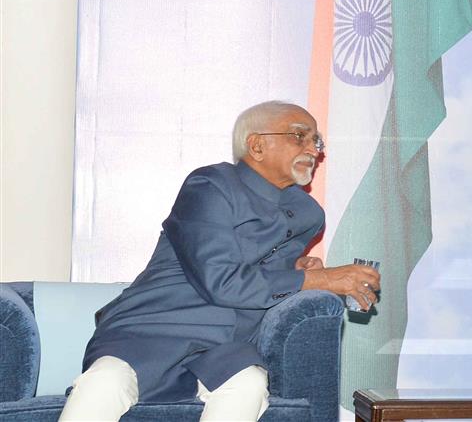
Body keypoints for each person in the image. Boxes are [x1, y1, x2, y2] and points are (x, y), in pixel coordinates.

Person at [59, 101, 382, 421]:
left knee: (249, 386)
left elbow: (262, 271)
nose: (314, 148)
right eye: (300, 135)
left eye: (317, 140)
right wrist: (320, 280)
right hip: (157, 326)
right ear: (256, 144)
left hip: (227, 342)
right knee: (104, 383)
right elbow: (220, 280)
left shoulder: (308, 212)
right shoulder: (210, 184)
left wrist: (295, 270)